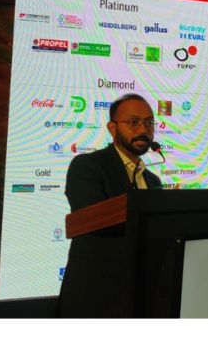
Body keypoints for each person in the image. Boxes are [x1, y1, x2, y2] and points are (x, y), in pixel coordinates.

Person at [58, 93, 162, 317]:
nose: (143, 129)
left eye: (149, 122)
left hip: (141, 297)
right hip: (95, 298)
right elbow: (92, 218)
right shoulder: (88, 166)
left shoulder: (153, 181)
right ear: (112, 128)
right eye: (133, 122)